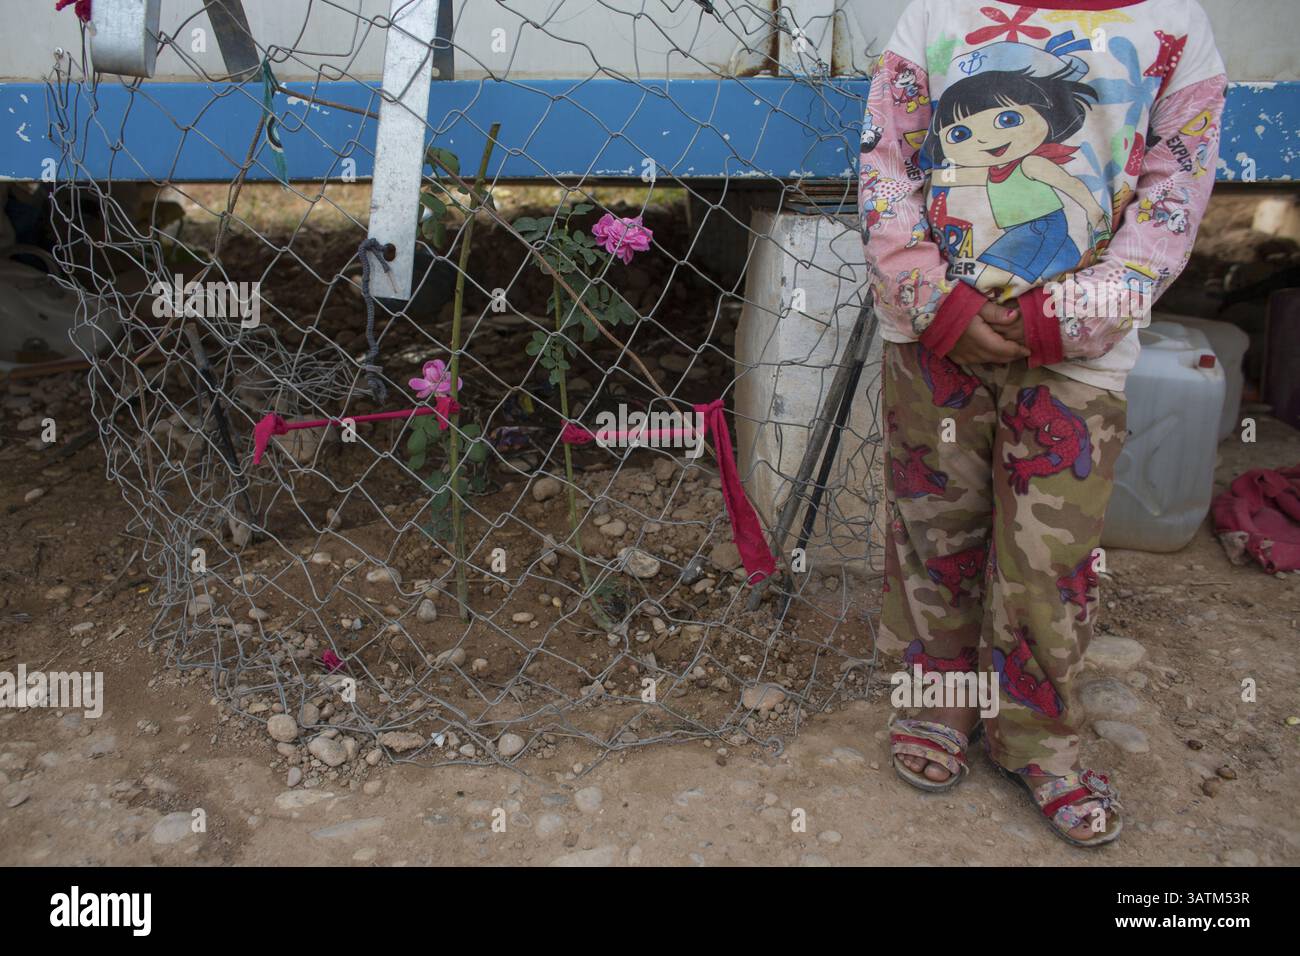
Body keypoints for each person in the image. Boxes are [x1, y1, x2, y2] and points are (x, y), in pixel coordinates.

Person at [862, 0, 1225, 846]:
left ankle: (1034, 735)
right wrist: (930, 297)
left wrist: (1078, 314)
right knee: (934, 527)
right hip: (931, 335)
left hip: (1076, 350)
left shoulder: (1174, 25)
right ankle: (941, 704)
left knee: (1049, 555)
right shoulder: (937, 14)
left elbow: (1176, 186)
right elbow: (889, 159)